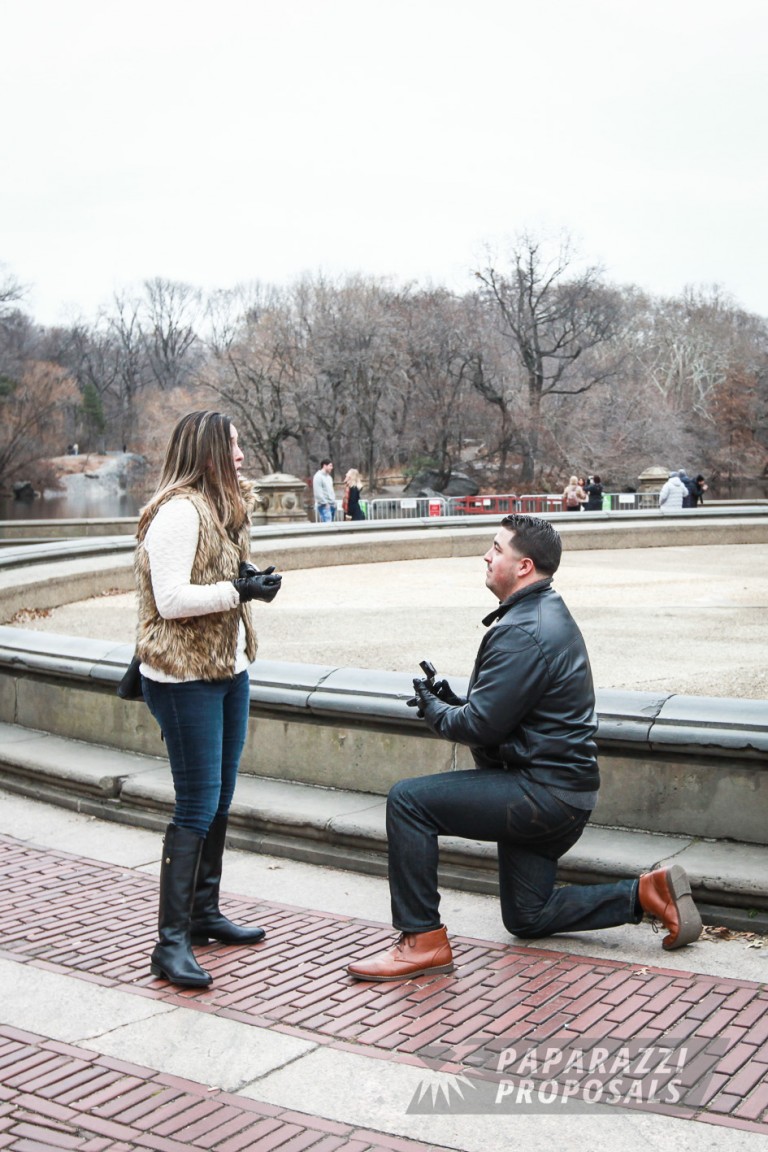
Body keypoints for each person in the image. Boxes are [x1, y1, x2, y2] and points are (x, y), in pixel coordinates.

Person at [347, 515, 702, 982]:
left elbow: (479, 726)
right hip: (562, 792)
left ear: (524, 566)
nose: (487, 556)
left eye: (496, 548)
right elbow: (504, 714)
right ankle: (645, 895)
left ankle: (422, 940)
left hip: (542, 795)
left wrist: (436, 710)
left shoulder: (522, 629)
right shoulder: (542, 612)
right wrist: (452, 702)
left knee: (408, 801)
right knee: (527, 916)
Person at [135, 410, 282, 988]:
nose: (243, 454)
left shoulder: (225, 507)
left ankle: (202, 914)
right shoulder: (177, 511)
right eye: (234, 445)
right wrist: (236, 590)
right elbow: (170, 599)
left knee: (219, 798)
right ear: (209, 452)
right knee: (196, 804)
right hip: (181, 676)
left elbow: (213, 575)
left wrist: (250, 579)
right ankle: (168, 944)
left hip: (228, 667)